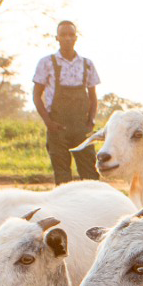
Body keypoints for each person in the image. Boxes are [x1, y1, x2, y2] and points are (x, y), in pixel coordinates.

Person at [32, 21, 101, 183]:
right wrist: (49, 123)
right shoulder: (46, 63)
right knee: (62, 176)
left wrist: (90, 121)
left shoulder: (87, 64)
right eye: (63, 35)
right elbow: (36, 96)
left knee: (90, 175)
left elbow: (93, 96)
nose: (67, 38)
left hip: (81, 127)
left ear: (76, 38)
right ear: (57, 38)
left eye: (71, 35)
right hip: (57, 127)